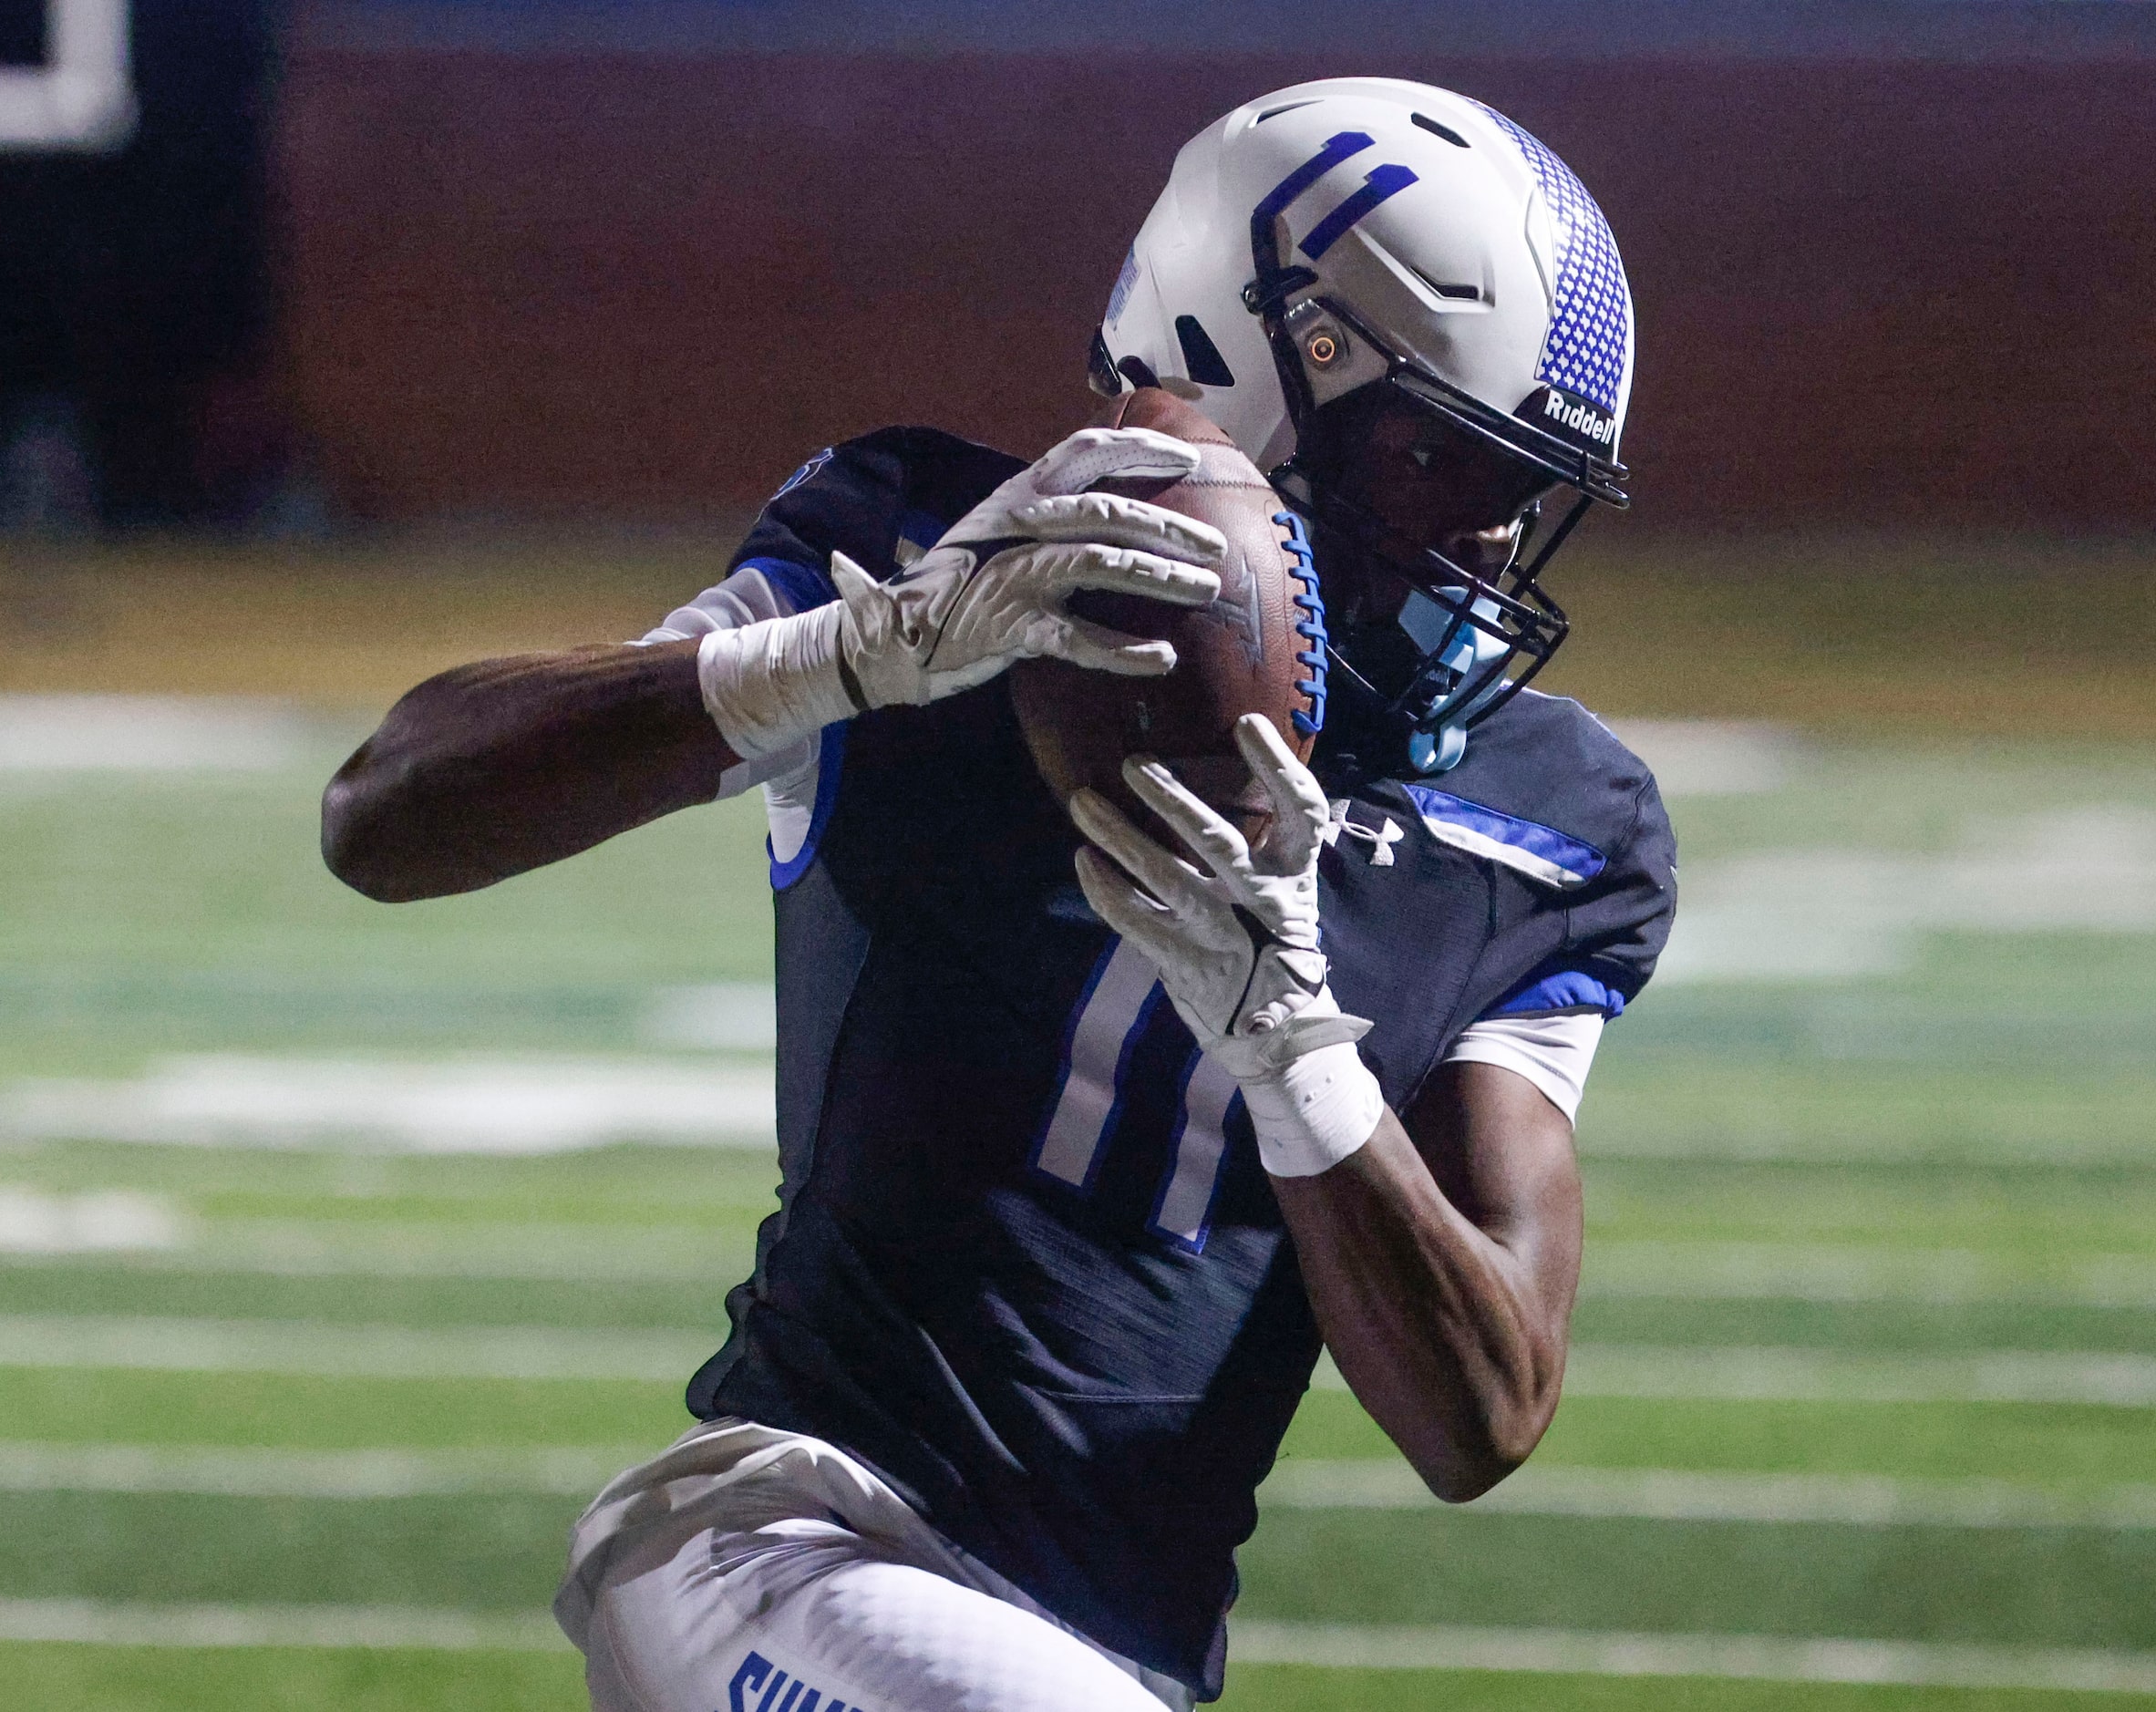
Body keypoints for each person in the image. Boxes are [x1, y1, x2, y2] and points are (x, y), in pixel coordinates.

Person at [323, 76, 1674, 1712]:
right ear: (1255, 368)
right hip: (788, 1538)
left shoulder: (1556, 821)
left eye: (1518, 498)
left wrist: (1292, 1040)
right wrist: (839, 655)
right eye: (1441, 467)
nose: (1487, 547)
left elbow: (1485, 1412)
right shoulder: (918, 543)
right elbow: (386, 812)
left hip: (1123, 1651)